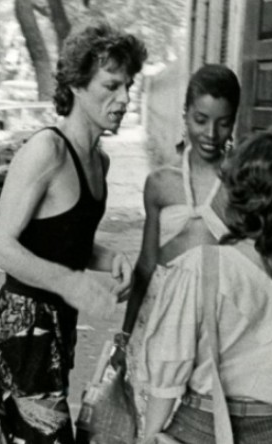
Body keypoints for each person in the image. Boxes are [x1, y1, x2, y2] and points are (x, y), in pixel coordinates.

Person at [0, 22, 146, 444]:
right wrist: (72, 283)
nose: (124, 98)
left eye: (128, 85)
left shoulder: (99, 160)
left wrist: (110, 257)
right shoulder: (47, 150)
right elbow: (0, 247)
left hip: (59, 328)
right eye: (111, 85)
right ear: (76, 84)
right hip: (24, 331)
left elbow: (63, 236)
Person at [141, 126, 272, 444]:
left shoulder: (201, 267)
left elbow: (169, 362)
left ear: (243, 195)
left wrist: (150, 435)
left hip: (197, 427)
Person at [110, 64, 241, 433]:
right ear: (185, 115)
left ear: (235, 122)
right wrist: (125, 336)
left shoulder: (243, 186)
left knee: (194, 426)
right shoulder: (160, 184)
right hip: (158, 321)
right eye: (201, 119)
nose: (211, 134)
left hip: (215, 330)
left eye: (224, 123)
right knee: (147, 421)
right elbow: (147, 263)